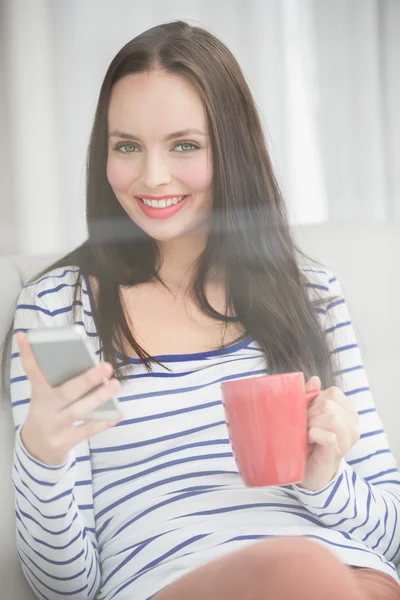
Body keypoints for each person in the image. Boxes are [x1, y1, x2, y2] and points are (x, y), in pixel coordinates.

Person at [5, 20, 400, 600]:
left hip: (350, 578)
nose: (153, 176)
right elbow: (63, 590)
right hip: (179, 584)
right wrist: (43, 451)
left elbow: (391, 541)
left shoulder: (309, 295)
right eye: (127, 147)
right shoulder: (60, 310)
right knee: (298, 571)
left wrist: (326, 481)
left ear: (233, 149)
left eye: (184, 145)